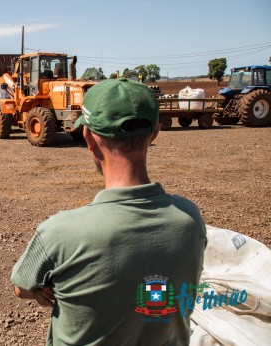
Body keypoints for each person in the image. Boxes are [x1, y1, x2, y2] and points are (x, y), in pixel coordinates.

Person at [11, 79, 207, 345]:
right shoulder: (190, 219)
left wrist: (41, 289)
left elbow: (21, 287)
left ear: (89, 138)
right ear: (156, 133)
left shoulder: (60, 232)